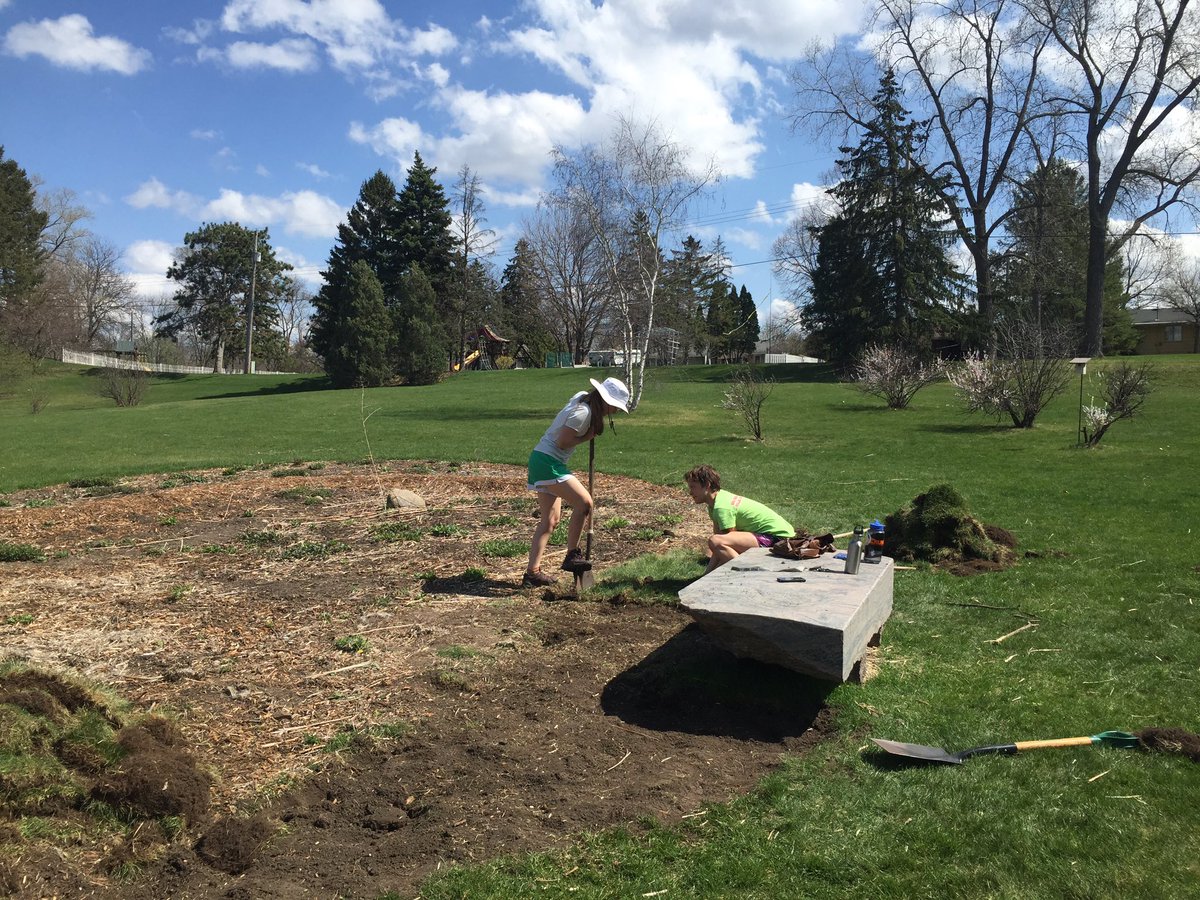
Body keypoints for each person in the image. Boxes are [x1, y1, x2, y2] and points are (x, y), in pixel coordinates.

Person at [523, 377, 631, 587]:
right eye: (615, 406)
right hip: (548, 462)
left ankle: (532, 573)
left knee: (550, 520)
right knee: (585, 504)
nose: (615, 411)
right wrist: (587, 437)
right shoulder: (584, 412)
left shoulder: (582, 399)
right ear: (605, 400)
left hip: (542, 459)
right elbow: (563, 441)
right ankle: (572, 554)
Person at [684, 464, 795, 574]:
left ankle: (748, 574)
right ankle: (743, 572)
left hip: (779, 539)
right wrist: (706, 576)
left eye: (693, 487)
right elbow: (718, 550)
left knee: (716, 541)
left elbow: (723, 544)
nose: (690, 492)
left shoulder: (722, 508)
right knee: (717, 541)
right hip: (773, 536)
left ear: (707, 485)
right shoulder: (717, 501)